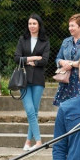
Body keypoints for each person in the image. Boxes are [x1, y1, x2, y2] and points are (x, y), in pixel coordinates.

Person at [14, 14, 50, 151]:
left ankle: (29, 141)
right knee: (29, 110)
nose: (32, 26)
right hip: (23, 79)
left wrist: (30, 60)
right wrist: (34, 58)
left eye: (34, 23)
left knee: (34, 111)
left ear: (39, 25)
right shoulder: (22, 39)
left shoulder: (45, 41)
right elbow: (17, 58)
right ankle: (39, 141)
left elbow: (45, 60)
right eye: (30, 23)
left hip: (38, 80)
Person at [52, 13, 80, 106]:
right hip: (66, 81)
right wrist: (62, 62)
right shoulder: (66, 41)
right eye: (69, 26)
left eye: (72, 26)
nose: (70, 28)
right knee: (64, 108)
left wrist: (72, 64)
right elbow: (58, 58)